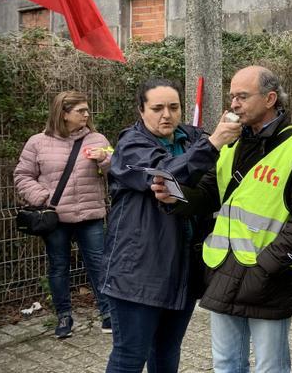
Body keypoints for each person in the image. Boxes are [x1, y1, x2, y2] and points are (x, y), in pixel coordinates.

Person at [154, 66, 292, 373]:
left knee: (270, 367)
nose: (233, 104)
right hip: (222, 269)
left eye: (242, 96)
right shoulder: (231, 141)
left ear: (270, 98)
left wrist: (267, 265)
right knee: (225, 364)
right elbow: (210, 192)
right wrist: (177, 198)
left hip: (269, 277)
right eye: (232, 96)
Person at [102, 79, 240, 372]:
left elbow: (210, 185)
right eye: (157, 108)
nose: (166, 115)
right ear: (141, 110)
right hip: (139, 271)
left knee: (166, 352)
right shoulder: (131, 146)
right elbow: (164, 174)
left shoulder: (191, 139)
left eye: (174, 107)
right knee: (129, 356)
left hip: (183, 270)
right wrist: (214, 142)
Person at [14, 91, 113, 339]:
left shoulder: (97, 139)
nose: (87, 115)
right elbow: (22, 176)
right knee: (58, 267)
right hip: (55, 219)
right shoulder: (37, 142)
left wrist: (105, 159)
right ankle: (64, 316)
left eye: (87, 110)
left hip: (90, 215)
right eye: (81, 110)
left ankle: (108, 313)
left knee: (100, 265)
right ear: (64, 113)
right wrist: (42, 197)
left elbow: (117, 171)